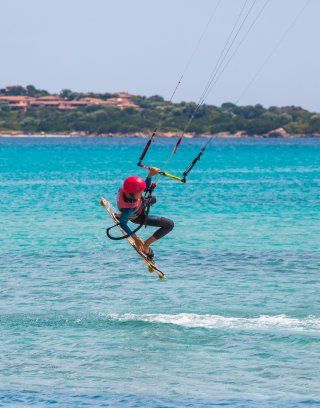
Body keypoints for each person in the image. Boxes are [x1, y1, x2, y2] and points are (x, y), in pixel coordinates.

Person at [117, 167, 174, 260]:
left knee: (153, 199)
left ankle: (120, 214)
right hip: (138, 217)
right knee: (169, 224)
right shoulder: (129, 208)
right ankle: (146, 245)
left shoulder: (126, 191)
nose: (142, 192)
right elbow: (123, 224)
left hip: (131, 212)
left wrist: (150, 175)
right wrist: (135, 238)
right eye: (140, 192)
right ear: (134, 194)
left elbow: (144, 188)